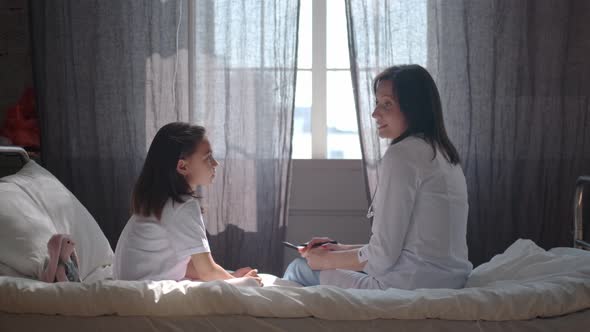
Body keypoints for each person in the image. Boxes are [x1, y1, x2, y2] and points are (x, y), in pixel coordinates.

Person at [283, 65, 472, 289]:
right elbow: (406, 247)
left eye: (387, 104)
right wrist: (340, 249)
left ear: (414, 107)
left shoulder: (403, 154)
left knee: (298, 269)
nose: (375, 113)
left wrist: (324, 261)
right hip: (449, 279)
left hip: (409, 285)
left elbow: (382, 257)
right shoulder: (443, 153)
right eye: (377, 103)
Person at [114, 122, 261, 285]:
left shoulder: (157, 203)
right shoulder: (183, 206)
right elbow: (207, 271)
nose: (215, 163)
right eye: (207, 158)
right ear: (183, 166)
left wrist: (232, 278)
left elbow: (184, 265)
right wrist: (243, 283)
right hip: (144, 294)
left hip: (131, 288)